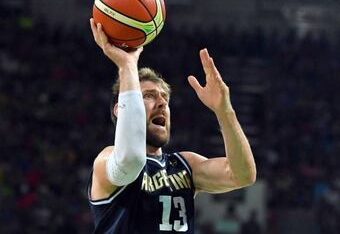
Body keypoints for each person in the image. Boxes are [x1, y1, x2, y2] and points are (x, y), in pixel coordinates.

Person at [87, 19, 257, 233]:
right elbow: (130, 159)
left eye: (165, 98)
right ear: (120, 109)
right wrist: (127, 65)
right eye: (148, 96)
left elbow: (243, 175)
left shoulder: (184, 165)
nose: (162, 103)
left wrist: (224, 110)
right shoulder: (107, 160)